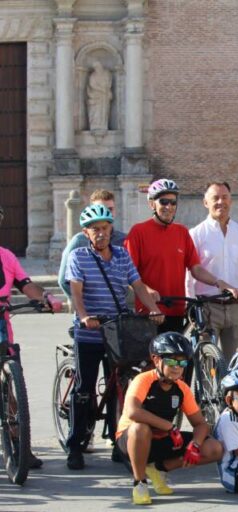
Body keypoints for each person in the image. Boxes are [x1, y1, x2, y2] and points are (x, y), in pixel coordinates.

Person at [65, 204, 164, 471]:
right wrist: (84, 315)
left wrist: (153, 309)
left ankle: (117, 441)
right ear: (86, 233)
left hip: (118, 332)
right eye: (95, 229)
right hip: (90, 332)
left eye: (105, 228)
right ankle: (75, 445)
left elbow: (138, 286)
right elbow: (76, 292)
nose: (101, 233)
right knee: (84, 390)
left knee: (119, 390)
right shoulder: (79, 256)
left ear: (111, 229)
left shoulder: (121, 255)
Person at [115, 333, 224, 505]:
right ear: (156, 360)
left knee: (214, 448)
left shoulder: (182, 388)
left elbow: (201, 424)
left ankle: (158, 469)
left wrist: (195, 444)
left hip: (163, 439)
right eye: (172, 361)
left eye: (182, 363)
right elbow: (132, 412)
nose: (177, 368)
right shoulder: (143, 380)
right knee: (140, 427)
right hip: (131, 441)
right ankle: (140, 482)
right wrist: (169, 426)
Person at [125, 178, 238, 334]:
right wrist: (147, 290)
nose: (169, 207)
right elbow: (129, 275)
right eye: (163, 202)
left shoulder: (182, 232)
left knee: (176, 358)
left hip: (176, 309)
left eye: (173, 203)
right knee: (152, 358)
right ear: (152, 204)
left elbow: (196, 269)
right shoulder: (138, 232)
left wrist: (219, 283)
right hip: (149, 312)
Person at [0, 205, 63, 469]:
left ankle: (20, 447)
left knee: (10, 390)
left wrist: (46, 297)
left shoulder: (6, 256)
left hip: (2, 327)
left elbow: (26, 285)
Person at [186, 181, 238, 361]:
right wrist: (191, 306)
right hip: (208, 308)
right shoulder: (196, 234)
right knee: (206, 363)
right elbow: (189, 273)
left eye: (224, 197)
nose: (220, 202)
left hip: (236, 308)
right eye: (215, 198)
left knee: (234, 365)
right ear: (205, 202)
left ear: (230, 201)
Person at [58, 189, 127, 299]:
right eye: (101, 209)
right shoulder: (79, 241)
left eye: (110, 209)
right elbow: (63, 280)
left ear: (115, 211)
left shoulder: (124, 240)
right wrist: (82, 306)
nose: (106, 213)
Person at [86, 61, 112, 131]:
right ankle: (95, 124)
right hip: (96, 95)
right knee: (95, 111)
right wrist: (102, 90)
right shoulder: (93, 75)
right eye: (95, 68)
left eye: (97, 67)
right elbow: (92, 85)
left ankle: (103, 124)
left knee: (104, 110)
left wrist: (106, 90)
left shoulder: (106, 73)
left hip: (104, 96)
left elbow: (109, 82)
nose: (96, 69)